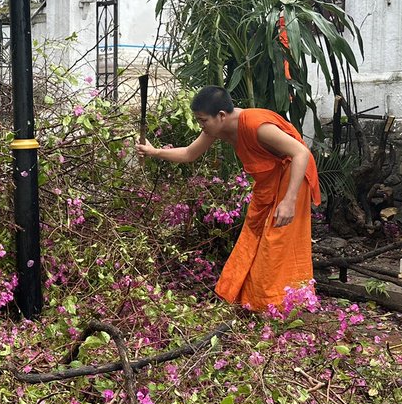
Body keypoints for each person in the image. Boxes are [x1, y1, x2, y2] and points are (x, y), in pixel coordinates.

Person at [136, 86, 320, 312]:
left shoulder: (255, 125)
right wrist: (154, 152)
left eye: (202, 120)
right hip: (270, 181)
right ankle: (250, 298)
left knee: (276, 238)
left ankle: (275, 304)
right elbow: (189, 154)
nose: (200, 125)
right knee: (254, 232)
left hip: (294, 176)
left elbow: (301, 153)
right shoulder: (215, 128)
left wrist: (289, 201)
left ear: (221, 115)